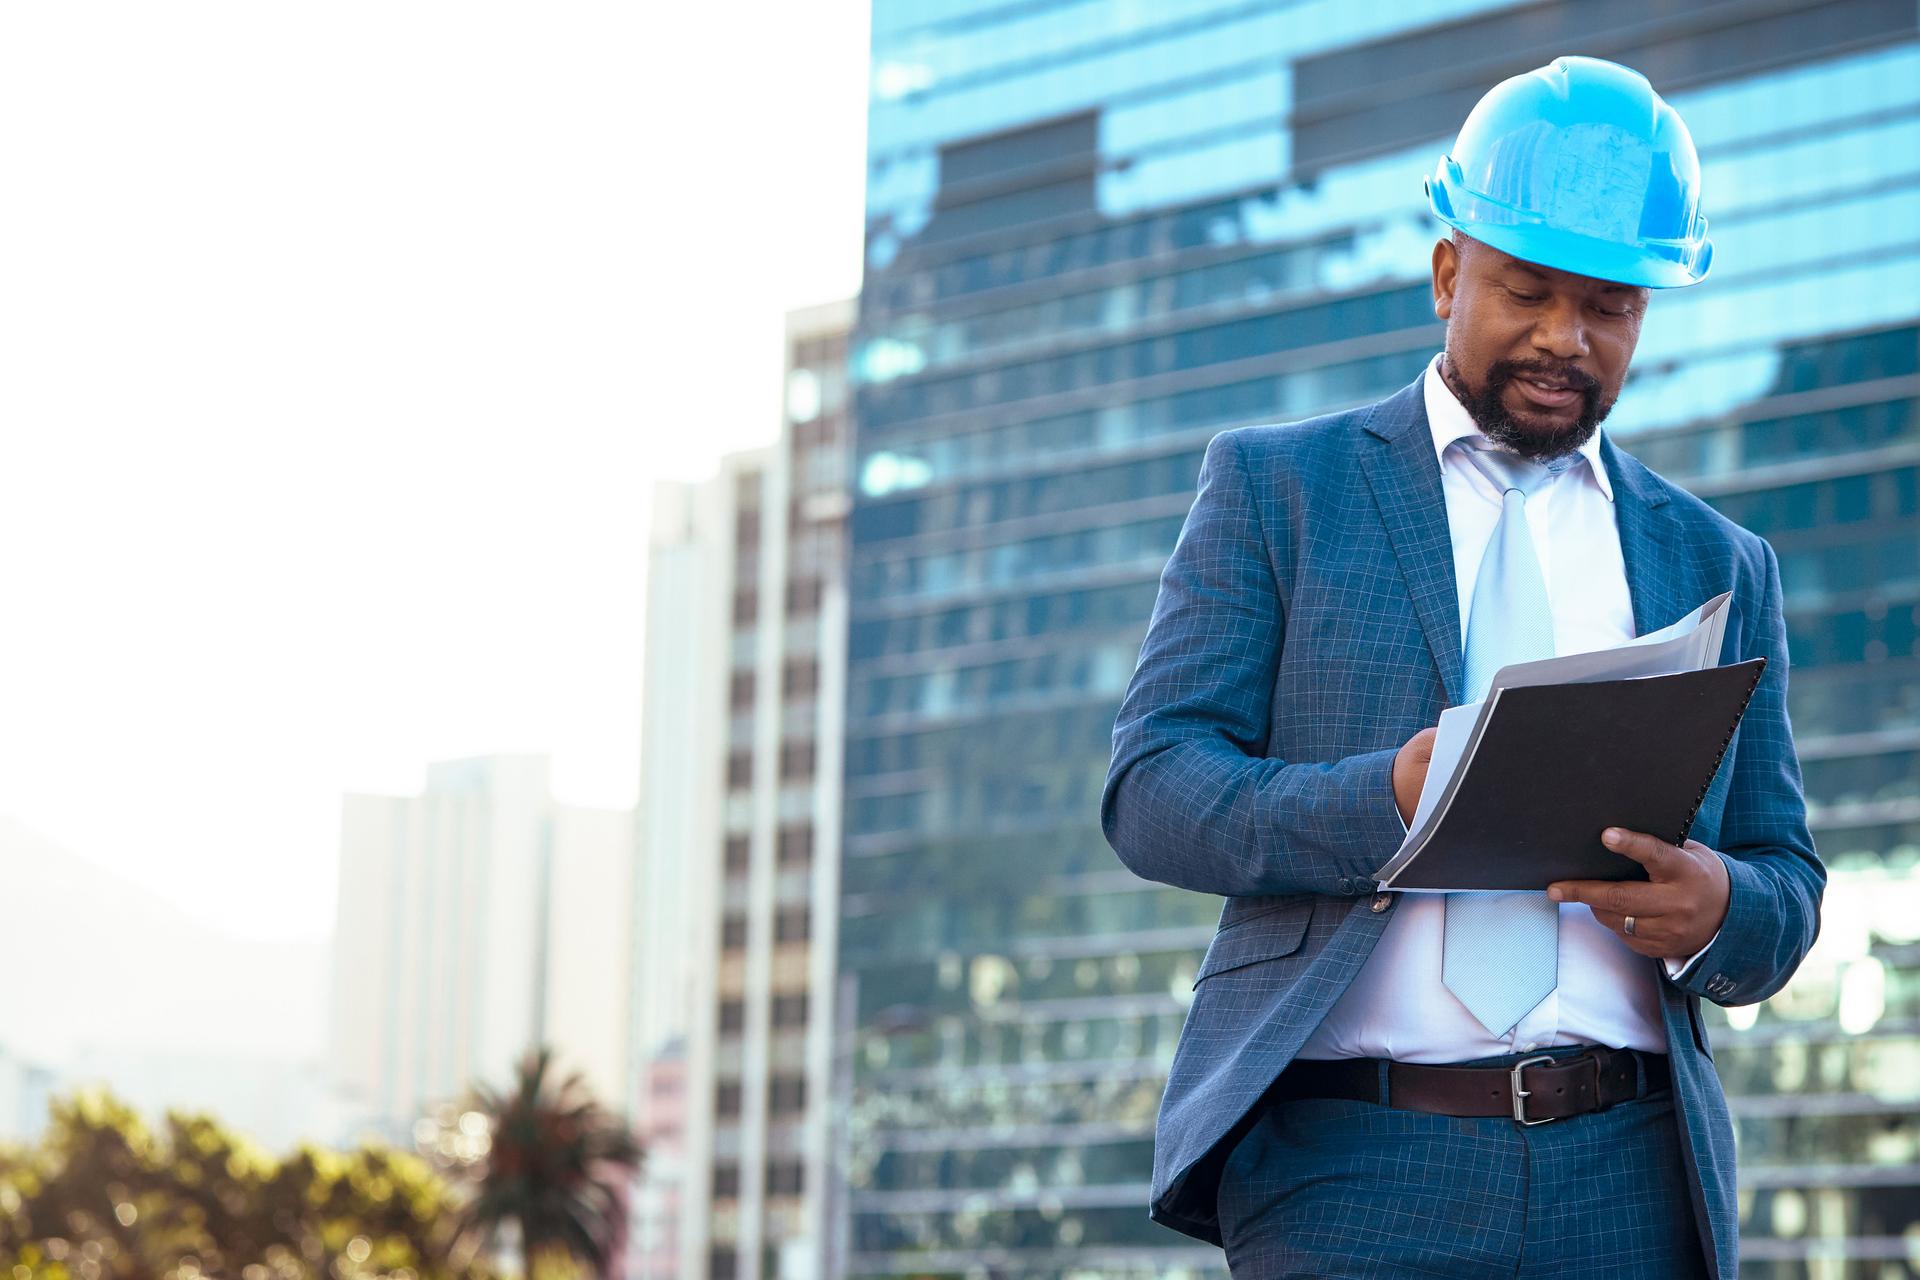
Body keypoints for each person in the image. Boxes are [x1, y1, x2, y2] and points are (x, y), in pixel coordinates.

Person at [1100, 55, 1824, 1279]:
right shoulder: (1283, 489)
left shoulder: (1718, 560)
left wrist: (1718, 912)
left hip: (1630, 1176)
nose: (1565, 338)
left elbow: (1785, 874)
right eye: (1526, 291)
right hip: (1353, 1165)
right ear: (1449, 272)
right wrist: (1387, 794)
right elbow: (1153, 788)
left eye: (1609, 307)